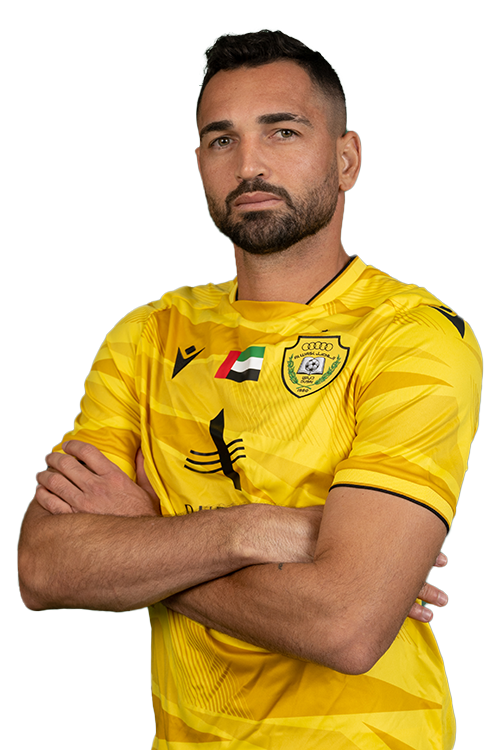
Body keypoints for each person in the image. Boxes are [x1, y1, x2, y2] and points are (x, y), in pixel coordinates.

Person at [18, 28, 482, 749]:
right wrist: (252, 530)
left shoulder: (413, 334)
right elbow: (44, 567)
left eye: (283, 131)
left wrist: (144, 537)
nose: (250, 164)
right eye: (221, 140)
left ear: (347, 158)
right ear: (199, 164)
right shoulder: (149, 333)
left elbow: (346, 624)